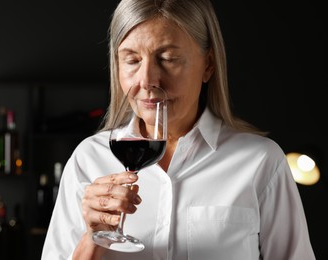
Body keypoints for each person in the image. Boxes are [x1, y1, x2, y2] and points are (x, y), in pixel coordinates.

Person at [41, 0, 316, 259]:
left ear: (208, 65)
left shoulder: (261, 161)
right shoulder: (89, 159)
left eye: (168, 58)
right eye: (132, 60)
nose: (147, 80)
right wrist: (93, 237)